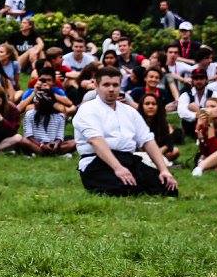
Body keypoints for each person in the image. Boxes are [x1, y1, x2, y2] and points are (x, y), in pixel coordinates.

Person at [73, 67, 178, 196]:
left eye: (115, 85)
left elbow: (147, 140)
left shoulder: (130, 111)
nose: (111, 89)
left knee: (168, 187)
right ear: (96, 85)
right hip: (96, 162)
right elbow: (95, 140)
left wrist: (163, 170)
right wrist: (118, 168)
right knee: (124, 189)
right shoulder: (87, 109)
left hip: (128, 159)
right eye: (106, 85)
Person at [20, 76, 76, 156]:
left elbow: (59, 137)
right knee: (23, 140)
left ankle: (47, 152)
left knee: (74, 142)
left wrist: (56, 144)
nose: (35, 102)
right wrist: (41, 145)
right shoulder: (30, 114)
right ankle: (52, 154)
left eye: (38, 101)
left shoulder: (60, 116)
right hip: (36, 144)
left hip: (52, 144)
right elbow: (28, 135)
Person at [137, 92, 178, 163]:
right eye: (147, 104)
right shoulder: (136, 121)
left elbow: (168, 143)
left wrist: (159, 152)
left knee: (175, 151)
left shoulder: (162, 121)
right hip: (141, 153)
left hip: (159, 151)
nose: (150, 106)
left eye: (154, 104)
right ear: (142, 106)